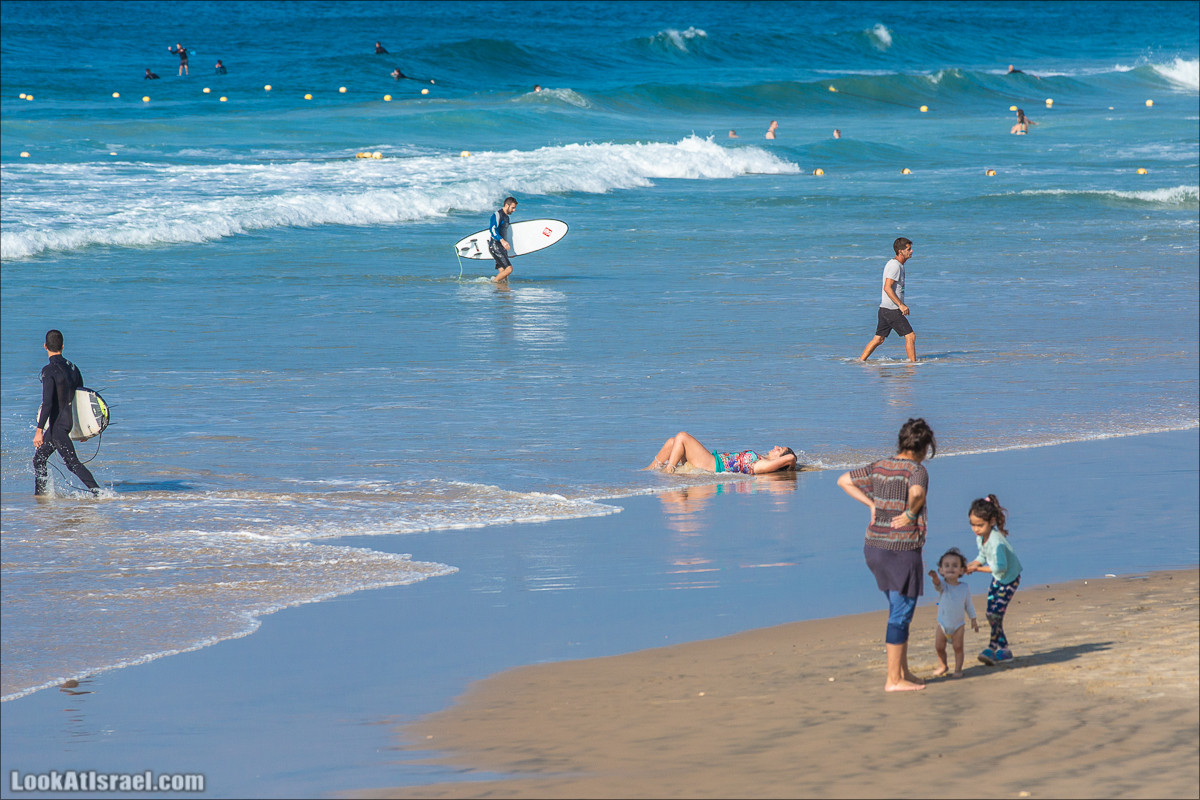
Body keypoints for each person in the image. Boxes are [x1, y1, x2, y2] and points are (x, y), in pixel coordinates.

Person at [837, 418, 936, 691]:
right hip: (900, 549)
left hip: (874, 547)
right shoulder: (917, 470)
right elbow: (916, 493)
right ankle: (893, 680)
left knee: (897, 608)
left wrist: (871, 505)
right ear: (925, 446)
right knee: (901, 613)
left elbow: (844, 480)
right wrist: (910, 513)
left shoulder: (880, 465)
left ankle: (902, 672)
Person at [33, 330, 100, 496]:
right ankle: (41, 496)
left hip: (58, 427)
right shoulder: (73, 367)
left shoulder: (48, 370)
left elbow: (48, 403)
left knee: (72, 463)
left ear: (45, 346)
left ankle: (99, 493)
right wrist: (84, 428)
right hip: (66, 422)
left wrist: (39, 431)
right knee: (39, 459)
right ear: (62, 346)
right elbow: (81, 398)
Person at [966, 494, 1023, 665]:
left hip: (1009, 579)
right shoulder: (981, 537)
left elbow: (1000, 567)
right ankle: (1003, 649)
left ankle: (993, 649)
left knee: (995, 614)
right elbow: (982, 556)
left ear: (991, 522)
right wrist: (971, 564)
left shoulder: (997, 541)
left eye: (979, 525)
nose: (976, 529)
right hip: (998, 579)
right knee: (991, 614)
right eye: (972, 525)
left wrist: (977, 569)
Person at [858, 237, 917, 362]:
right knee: (910, 336)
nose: (911, 251)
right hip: (891, 310)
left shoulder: (897, 265)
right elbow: (887, 287)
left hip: (885, 309)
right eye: (908, 249)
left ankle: (860, 361)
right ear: (901, 251)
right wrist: (901, 305)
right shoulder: (895, 266)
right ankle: (913, 366)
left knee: (879, 339)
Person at [927, 548, 979, 677]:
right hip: (943, 624)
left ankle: (958, 669)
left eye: (955, 566)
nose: (950, 568)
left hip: (958, 625)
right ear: (941, 570)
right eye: (947, 566)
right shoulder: (944, 586)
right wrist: (934, 578)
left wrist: (973, 619)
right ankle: (943, 665)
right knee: (939, 647)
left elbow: (969, 605)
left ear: (962, 570)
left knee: (958, 648)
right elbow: (937, 585)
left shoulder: (964, 587)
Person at [645, 431, 798, 474]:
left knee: (682, 437)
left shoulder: (764, 465)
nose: (776, 446)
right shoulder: (763, 459)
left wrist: (790, 465)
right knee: (673, 442)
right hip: (713, 460)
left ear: (781, 461)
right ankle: (648, 471)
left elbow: (791, 458)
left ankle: (669, 471)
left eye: (780, 450)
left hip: (714, 466)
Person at [488, 196, 518, 282]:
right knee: (509, 269)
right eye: (512, 208)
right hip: (495, 245)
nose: (514, 210)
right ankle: (493, 283)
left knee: (504, 278)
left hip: (501, 247)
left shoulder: (506, 217)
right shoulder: (497, 215)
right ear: (506, 205)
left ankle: (501, 292)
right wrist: (502, 241)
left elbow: (506, 235)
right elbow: (492, 229)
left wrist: (511, 250)